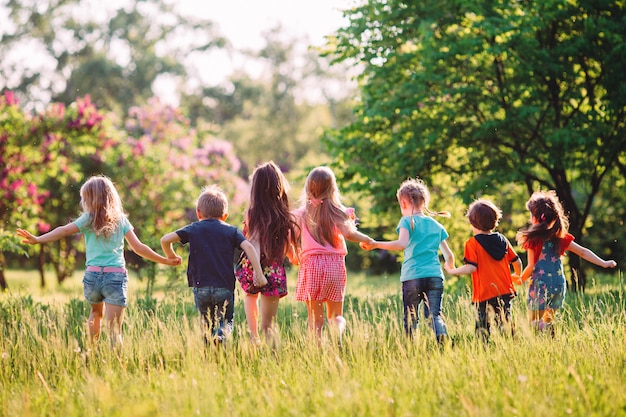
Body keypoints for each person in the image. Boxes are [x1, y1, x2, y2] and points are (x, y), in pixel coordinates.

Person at [16, 175, 181, 349]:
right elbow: (138, 247)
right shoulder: (120, 221)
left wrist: (38, 239)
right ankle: (117, 364)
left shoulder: (87, 220)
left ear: (88, 199)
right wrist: (165, 260)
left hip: (92, 276)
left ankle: (92, 352)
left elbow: (64, 230)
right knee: (115, 330)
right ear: (111, 197)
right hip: (115, 277)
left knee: (95, 314)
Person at [161, 185, 266, 345]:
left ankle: (208, 352)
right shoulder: (231, 231)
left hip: (200, 286)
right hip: (224, 286)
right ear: (225, 215)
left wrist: (171, 256)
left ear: (198, 213)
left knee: (205, 324)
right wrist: (258, 273)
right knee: (226, 321)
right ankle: (221, 337)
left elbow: (165, 239)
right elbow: (249, 247)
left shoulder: (193, 228)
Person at [361, 178, 454, 344]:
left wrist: (375, 244)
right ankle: (443, 338)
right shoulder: (436, 226)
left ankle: (410, 348)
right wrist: (450, 266)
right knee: (434, 315)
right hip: (434, 276)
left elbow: (402, 244)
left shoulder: (406, 221)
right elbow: (449, 255)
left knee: (411, 316)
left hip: (412, 277)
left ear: (403, 203)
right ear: (424, 201)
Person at [516, 190, 617, 334]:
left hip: (540, 285)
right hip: (558, 285)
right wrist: (604, 263)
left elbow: (531, 266)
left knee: (533, 324)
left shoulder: (533, 239)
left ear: (535, 218)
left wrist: (520, 279)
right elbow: (583, 252)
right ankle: (548, 334)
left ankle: (543, 331)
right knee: (547, 321)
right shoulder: (561, 237)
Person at [293, 166, 374, 342]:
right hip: (334, 266)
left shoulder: (301, 214)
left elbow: (288, 234)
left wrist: (293, 252)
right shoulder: (338, 212)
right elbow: (350, 234)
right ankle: (336, 336)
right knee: (336, 315)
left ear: (308, 187)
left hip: (311, 265)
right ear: (332, 188)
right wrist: (368, 239)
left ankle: (318, 352)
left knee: (315, 320)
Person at [235, 161, 300, 345]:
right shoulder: (285, 215)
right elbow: (287, 246)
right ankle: (268, 349)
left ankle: (254, 336)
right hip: (272, 270)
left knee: (250, 296)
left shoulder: (252, 213)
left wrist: (257, 271)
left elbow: (253, 242)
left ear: (255, 189)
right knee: (268, 325)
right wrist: (294, 257)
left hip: (254, 267)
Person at [444, 199, 523, 341]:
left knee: (482, 326)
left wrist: (453, 271)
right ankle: (512, 345)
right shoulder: (502, 239)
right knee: (506, 322)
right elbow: (517, 261)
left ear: (472, 222)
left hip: (484, 294)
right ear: (495, 220)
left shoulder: (472, 243)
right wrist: (517, 275)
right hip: (504, 290)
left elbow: (471, 267)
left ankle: (483, 348)